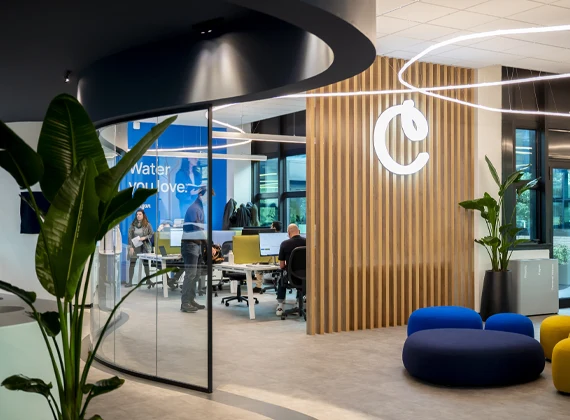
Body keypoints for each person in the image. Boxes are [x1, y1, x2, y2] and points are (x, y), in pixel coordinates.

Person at [179, 185, 212, 313]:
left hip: (196, 245)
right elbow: (196, 230)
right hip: (190, 245)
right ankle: (185, 303)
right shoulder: (194, 209)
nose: (209, 200)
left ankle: (191, 299)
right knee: (191, 274)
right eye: (208, 196)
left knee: (196, 274)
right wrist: (208, 245)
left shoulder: (200, 208)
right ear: (200, 195)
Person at [276, 223, 306, 316]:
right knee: (303, 281)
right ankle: (298, 302)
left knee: (281, 279)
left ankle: (280, 305)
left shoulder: (285, 244)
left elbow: (281, 266)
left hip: (292, 277)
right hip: (307, 277)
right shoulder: (308, 242)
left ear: (289, 233)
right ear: (299, 231)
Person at [126, 209, 154, 287]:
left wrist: (144, 237)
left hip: (144, 247)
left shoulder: (147, 225)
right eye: (137, 214)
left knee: (145, 264)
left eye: (140, 214)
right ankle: (130, 282)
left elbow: (151, 234)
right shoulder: (133, 225)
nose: (138, 216)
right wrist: (131, 247)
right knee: (132, 264)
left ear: (143, 215)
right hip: (135, 247)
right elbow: (129, 236)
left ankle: (148, 280)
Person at [98, 226, 122, 310]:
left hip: (114, 253)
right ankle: (103, 302)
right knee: (102, 278)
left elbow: (118, 238)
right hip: (103, 252)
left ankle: (115, 302)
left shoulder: (116, 229)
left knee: (115, 279)